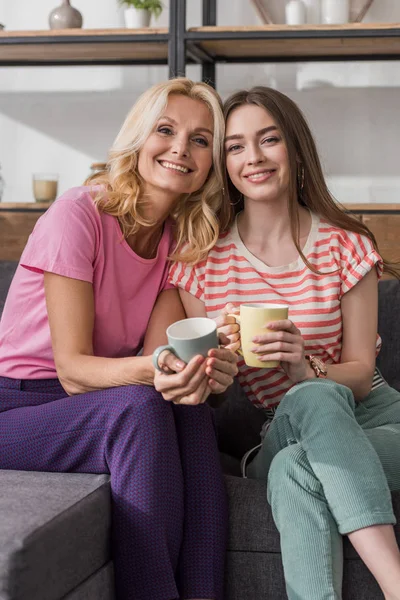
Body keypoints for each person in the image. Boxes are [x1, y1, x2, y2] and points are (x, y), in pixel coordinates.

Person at [0, 78, 239, 600]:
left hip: (95, 404)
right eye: (166, 130)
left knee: (188, 409)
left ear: (211, 164)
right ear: (138, 138)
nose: (180, 148)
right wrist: (157, 369)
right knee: (137, 407)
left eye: (200, 139)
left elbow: (164, 365)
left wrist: (200, 374)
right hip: (15, 408)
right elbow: (73, 368)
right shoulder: (78, 215)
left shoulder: (182, 242)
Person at [169, 85, 400, 600]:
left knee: (298, 467)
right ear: (223, 163)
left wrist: (304, 367)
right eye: (235, 145)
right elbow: (210, 395)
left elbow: (361, 375)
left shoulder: (347, 245)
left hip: (378, 416)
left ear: (294, 150)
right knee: (307, 407)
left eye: (269, 139)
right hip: (277, 427)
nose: (253, 157)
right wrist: (219, 363)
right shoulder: (200, 263)